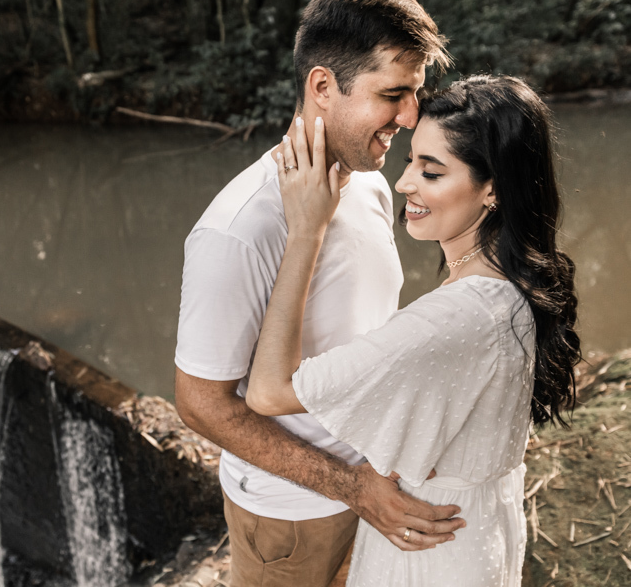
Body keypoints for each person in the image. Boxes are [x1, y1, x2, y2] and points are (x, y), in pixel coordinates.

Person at [175, 0, 464, 585]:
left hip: (376, 488)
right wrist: (349, 486)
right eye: (393, 94)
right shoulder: (238, 231)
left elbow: (367, 338)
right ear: (323, 88)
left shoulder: (370, 182)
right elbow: (200, 404)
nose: (411, 117)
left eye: (414, 94)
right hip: (291, 517)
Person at [246, 74, 581, 586]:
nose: (405, 184)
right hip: (477, 538)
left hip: (431, 559)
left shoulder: (455, 317)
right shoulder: (515, 285)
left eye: (432, 171)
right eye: (410, 162)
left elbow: (270, 392)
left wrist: (306, 232)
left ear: (493, 187)